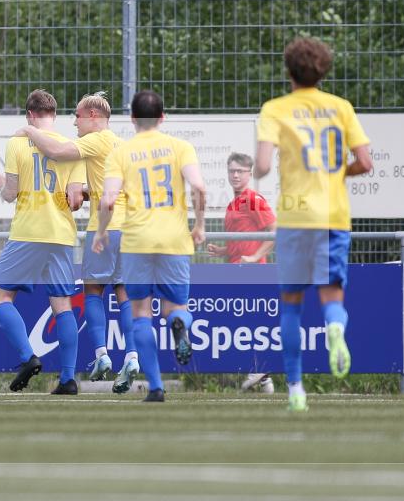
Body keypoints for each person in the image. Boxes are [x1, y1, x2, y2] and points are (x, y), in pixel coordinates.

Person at [254, 37, 373, 412]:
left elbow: (261, 165)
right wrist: (337, 173)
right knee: (332, 297)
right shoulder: (341, 107)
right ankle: (335, 329)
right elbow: (366, 162)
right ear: (323, 70)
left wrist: (262, 167)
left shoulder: (275, 109)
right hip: (332, 217)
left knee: (290, 306)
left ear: (288, 71)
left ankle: (296, 392)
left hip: (294, 216)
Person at [14, 91, 139, 394]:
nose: (74, 122)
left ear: (94, 117)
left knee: (92, 289)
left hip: (105, 227)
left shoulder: (96, 140)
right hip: (132, 228)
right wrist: (86, 191)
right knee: (124, 291)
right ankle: (133, 356)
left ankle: (101, 355)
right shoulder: (123, 146)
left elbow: (56, 150)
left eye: (78, 116)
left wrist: (30, 129)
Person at [94, 90, 206, 403]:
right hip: (174, 240)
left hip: (136, 241)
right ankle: (179, 325)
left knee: (141, 313)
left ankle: (156, 387)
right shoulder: (180, 147)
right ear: (162, 117)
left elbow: (107, 199)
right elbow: (198, 186)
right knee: (176, 308)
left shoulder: (122, 152)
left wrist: (102, 233)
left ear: (131, 119)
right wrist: (199, 225)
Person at [0, 89, 87, 395]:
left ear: (30, 115)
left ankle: (27, 357)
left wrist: (2, 185)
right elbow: (75, 199)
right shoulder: (72, 147)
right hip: (61, 233)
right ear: (54, 115)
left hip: (28, 232)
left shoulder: (17, 143)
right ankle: (69, 379)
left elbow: (11, 194)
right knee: (63, 306)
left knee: (0, 298)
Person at [205, 152, 276, 393]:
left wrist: (256, 257)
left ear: (249, 174)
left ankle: (261, 369)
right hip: (236, 270)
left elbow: (274, 232)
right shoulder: (233, 204)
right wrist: (223, 251)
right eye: (232, 171)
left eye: (240, 171)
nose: (235, 175)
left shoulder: (253, 199)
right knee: (241, 322)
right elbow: (241, 242)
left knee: (249, 321)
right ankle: (264, 376)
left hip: (253, 272)